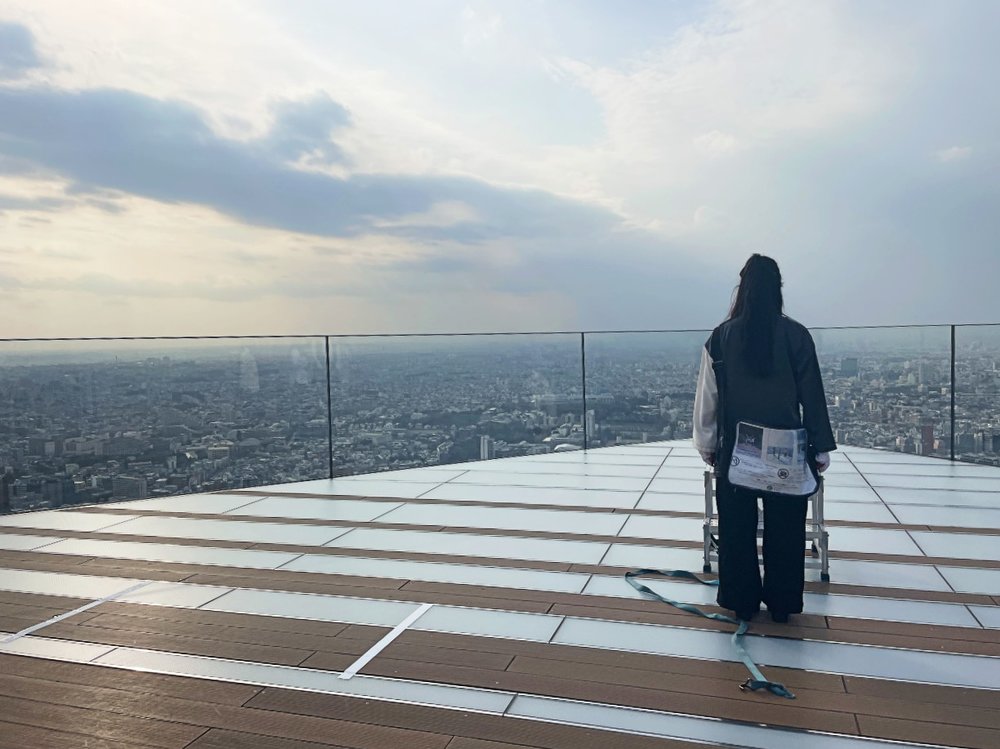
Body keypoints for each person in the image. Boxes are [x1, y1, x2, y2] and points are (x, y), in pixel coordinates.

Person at [693, 254, 836, 623]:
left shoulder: (720, 338)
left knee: (737, 530)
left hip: (736, 450)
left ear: (742, 289)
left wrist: (707, 445)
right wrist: (820, 447)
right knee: (786, 530)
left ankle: (742, 601)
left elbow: (708, 398)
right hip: (787, 451)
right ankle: (782, 604)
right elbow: (812, 395)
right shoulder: (797, 336)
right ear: (778, 290)